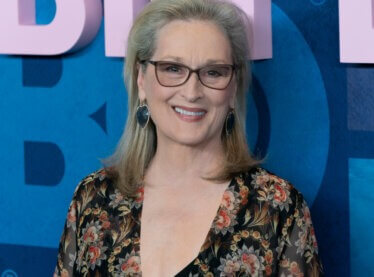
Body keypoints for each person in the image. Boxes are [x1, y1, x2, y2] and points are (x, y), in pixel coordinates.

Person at [54, 0, 323, 276]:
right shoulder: (92, 198)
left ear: (233, 88)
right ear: (141, 80)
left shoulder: (278, 209)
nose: (192, 91)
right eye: (173, 68)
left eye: (213, 72)